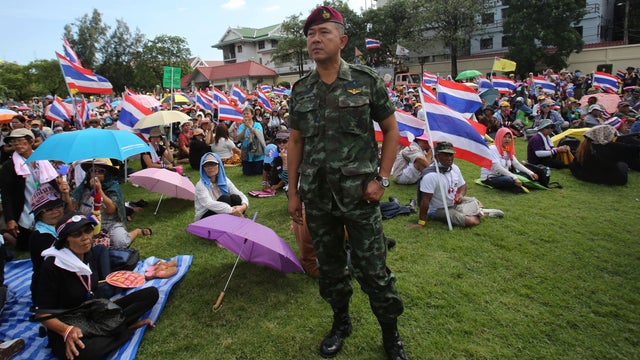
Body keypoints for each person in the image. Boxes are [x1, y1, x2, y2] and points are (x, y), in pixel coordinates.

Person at [287, 6, 406, 359]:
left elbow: (391, 131)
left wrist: (382, 180)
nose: (315, 40)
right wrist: (293, 193)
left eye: (323, 32)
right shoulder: (301, 89)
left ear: (343, 40)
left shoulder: (366, 80)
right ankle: (341, 322)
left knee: (374, 271)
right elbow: (295, 142)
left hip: (360, 197)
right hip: (319, 198)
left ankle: (391, 334)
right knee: (332, 269)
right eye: (310, 35)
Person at [35, 212, 158, 360]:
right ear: (65, 240)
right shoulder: (52, 266)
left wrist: (108, 305)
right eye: (76, 234)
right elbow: (42, 314)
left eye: (88, 230)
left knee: (151, 294)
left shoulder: (88, 254)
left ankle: (116, 330)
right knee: (87, 353)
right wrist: (67, 331)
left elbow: (92, 292)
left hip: (94, 313)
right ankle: (124, 329)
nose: (85, 237)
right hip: (67, 323)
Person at [0, 128, 68, 251]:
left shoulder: (44, 161)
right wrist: (10, 219)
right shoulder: (9, 167)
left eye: (21, 141)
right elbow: (7, 195)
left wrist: (62, 188)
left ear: (31, 141)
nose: (17, 145)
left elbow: (52, 182)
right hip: (25, 210)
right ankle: (9, 236)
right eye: (14, 142)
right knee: (27, 245)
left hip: (45, 207)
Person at [415, 141, 503, 228]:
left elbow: (463, 186)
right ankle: (481, 213)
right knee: (472, 221)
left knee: (474, 201)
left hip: (453, 203)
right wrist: (421, 223)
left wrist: (460, 195)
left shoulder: (454, 168)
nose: (449, 158)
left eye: (451, 155)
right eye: (445, 155)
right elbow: (425, 201)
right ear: (436, 157)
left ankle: (476, 211)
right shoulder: (430, 175)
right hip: (438, 209)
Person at [72, 159, 152, 248]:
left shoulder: (113, 188)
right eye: (93, 170)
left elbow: (110, 210)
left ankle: (137, 231)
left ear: (107, 174)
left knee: (121, 242)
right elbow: (71, 208)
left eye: (101, 171)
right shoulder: (83, 188)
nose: (96, 173)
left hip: (110, 224)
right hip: (87, 224)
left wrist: (99, 190)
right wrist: (65, 193)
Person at [28, 183, 68, 304]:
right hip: (48, 290)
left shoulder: (60, 226)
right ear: (40, 214)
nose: (56, 211)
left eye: (58, 206)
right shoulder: (41, 236)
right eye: (49, 209)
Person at [569, 125, 640, 185]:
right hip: (606, 178)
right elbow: (633, 149)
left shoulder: (584, 146)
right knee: (623, 164)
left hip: (585, 175)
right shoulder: (611, 147)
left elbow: (575, 163)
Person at [481, 128, 539, 193]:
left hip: (504, 175)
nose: (507, 139)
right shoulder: (492, 149)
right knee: (509, 180)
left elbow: (516, 164)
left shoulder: (507, 150)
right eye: (504, 137)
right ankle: (515, 185)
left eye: (509, 137)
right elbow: (497, 168)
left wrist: (530, 173)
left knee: (526, 175)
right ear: (499, 137)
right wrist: (514, 177)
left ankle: (516, 184)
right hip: (491, 177)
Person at [194, 152, 248, 221]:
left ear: (219, 166)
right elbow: (208, 203)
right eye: (206, 165)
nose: (210, 167)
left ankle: (234, 220)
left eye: (213, 164)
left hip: (225, 210)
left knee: (235, 197)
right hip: (205, 217)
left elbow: (239, 193)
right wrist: (232, 210)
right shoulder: (200, 185)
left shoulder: (224, 180)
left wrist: (243, 206)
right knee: (225, 199)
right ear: (203, 168)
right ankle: (236, 218)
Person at [236, 107, 266, 176]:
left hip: (257, 152)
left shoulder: (258, 125)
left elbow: (259, 135)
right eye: (244, 114)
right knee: (247, 173)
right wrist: (245, 128)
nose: (246, 115)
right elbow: (239, 138)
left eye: (247, 114)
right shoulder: (241, 126)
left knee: (258, 172)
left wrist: (250, 127)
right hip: (246, 152)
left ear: (252, 115)